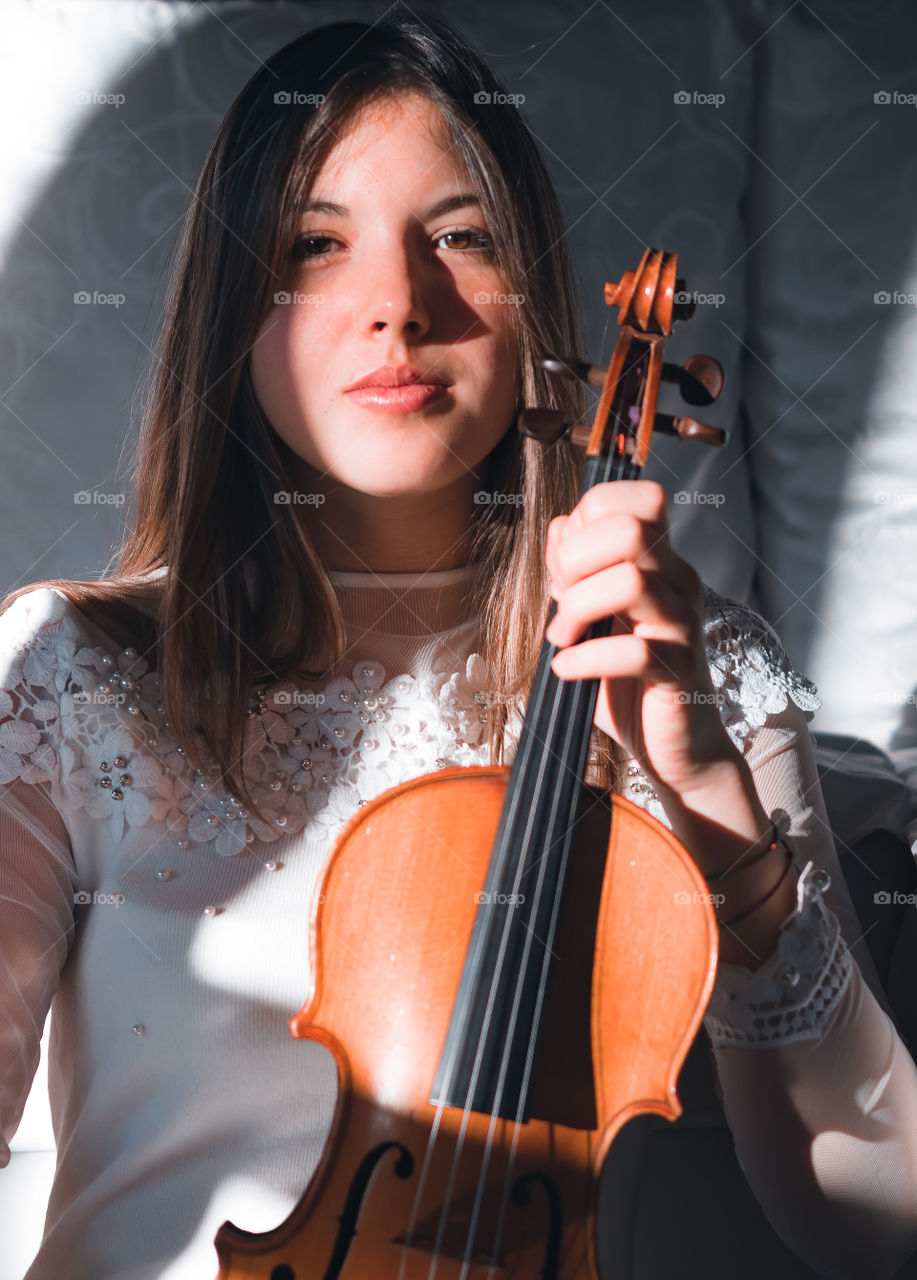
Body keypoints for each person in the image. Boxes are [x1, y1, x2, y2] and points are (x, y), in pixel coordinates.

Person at [1, 12, 917, 1280]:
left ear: (533, 297)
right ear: (230, 314)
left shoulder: (685, 667)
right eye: (315, 245)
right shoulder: (72, 670)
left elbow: (881, 1218)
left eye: (460, 237)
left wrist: (712, 800)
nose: (397, 306)